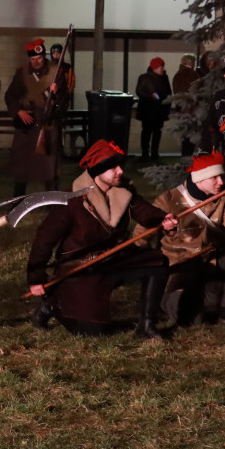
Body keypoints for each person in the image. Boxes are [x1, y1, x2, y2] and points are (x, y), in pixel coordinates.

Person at [26, 140, 177, 338]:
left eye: (120, 165)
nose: (120, 171)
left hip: (114, 258)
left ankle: (146, 326)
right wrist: (36, 277)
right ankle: (51, 305)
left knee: (157, 261)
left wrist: (162, 219)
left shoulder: (125, 191)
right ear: (98, 170)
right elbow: (45, 238)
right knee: (92, 332)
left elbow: (143, 211)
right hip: (81, 267)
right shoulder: (72, 200)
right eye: (113, 167)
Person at [137, 151, 225, 325]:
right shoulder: (168, 200)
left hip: (208, 260)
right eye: (215, 178)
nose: (221, 182)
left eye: (221, 177)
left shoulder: (222, 196)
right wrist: (140, 258)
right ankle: (164, 301)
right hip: (180, 265)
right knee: (190, 319)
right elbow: (143, 229)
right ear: (200, 179)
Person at [4, 38, 61, 197]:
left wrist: (55, 94)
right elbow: (10, 96)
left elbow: (63, 100)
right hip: (27, 122)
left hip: (47, 120)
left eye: (39, 58)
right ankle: (18, 198)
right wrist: (18, 112)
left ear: (44, 56)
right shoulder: (22, 73)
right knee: (22, 162)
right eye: (33, 59)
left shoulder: (55, 72)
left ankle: (51, 200)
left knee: (49, 165)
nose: (36, 61)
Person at [135, 57, 172, 161]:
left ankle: (155, 152)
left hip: (160, 110)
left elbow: (168, 92)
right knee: (146, 131)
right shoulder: (145, 77)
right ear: (154, 68)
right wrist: (150, 95)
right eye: (160, 67)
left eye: (162, 66)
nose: (162, 69)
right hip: (147, 109)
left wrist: (166, 101)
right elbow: (139, 91)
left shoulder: (165, 78)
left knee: (157, 132)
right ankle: (145, 153)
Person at [171, 54, 199, 157]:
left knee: (185, 134)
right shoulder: (192, 74)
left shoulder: (177, 75)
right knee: (191, 134)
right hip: (191, 109)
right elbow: (197, 90)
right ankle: (188, 155)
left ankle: (184, 155)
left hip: (181, 109)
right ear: (191, 63)